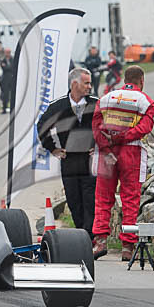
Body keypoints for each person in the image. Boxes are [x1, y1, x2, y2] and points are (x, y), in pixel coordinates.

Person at [91, 66, 154, 261]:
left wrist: (107, 145)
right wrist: (123, 137)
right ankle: (127, 247)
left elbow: (95, 125)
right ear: (141, 80)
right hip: (131, 151)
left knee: (103, 197)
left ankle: (100, 241)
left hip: (106, 152)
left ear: (124, 79)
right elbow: (146, 127)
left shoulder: (106, 98)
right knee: (130, 198)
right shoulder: (145, 101)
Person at [36, 68, 100, 254]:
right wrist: (53, 148)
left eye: (90, 83)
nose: (90, 86)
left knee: (90, 198)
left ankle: (88, 237)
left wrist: (98, 145)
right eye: (86, 83)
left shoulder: (96, 104)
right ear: (74, 84)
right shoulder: (58, 106)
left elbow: (107, 126)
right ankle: (81, 233)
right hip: (69, 159)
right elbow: (42, 126)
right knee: (73, 198)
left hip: (90, 160)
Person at [0, 48, 15, 114]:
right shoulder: (3, 60)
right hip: (5, 80)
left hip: (11, 79)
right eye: (6, 52)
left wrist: (7, 67)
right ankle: (4, 108)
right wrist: (7, 67)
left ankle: (13, 108)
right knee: (5, 95)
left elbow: (12, 67)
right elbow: (4, 68)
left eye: (8, 52)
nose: (7, 54)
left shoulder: (13, 59)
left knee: (13, 94)